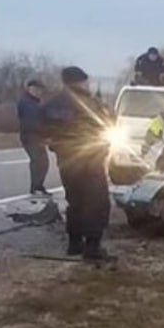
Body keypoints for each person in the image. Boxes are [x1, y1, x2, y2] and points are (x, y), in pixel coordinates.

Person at [41, 66, 113, 261]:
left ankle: (74, 243)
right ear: (80, 81)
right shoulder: (91, 103)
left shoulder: (52, 105)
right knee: (96, 202)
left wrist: (58, 147)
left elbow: (44, 131)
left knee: (75, 201)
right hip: (91, 159)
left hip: (67, 161)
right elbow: (106, 126)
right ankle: (93, 246)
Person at [17, 79, 50, 195]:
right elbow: (31, 121)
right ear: (30, 89)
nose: (38, 92)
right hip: (30, 135)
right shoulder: (27, 103)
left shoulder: (36, 103)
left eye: (40, 90)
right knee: (38, 161)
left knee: (43, 162)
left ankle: (38, 185)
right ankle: (35, 186)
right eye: (36, 89)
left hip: (37, 136)